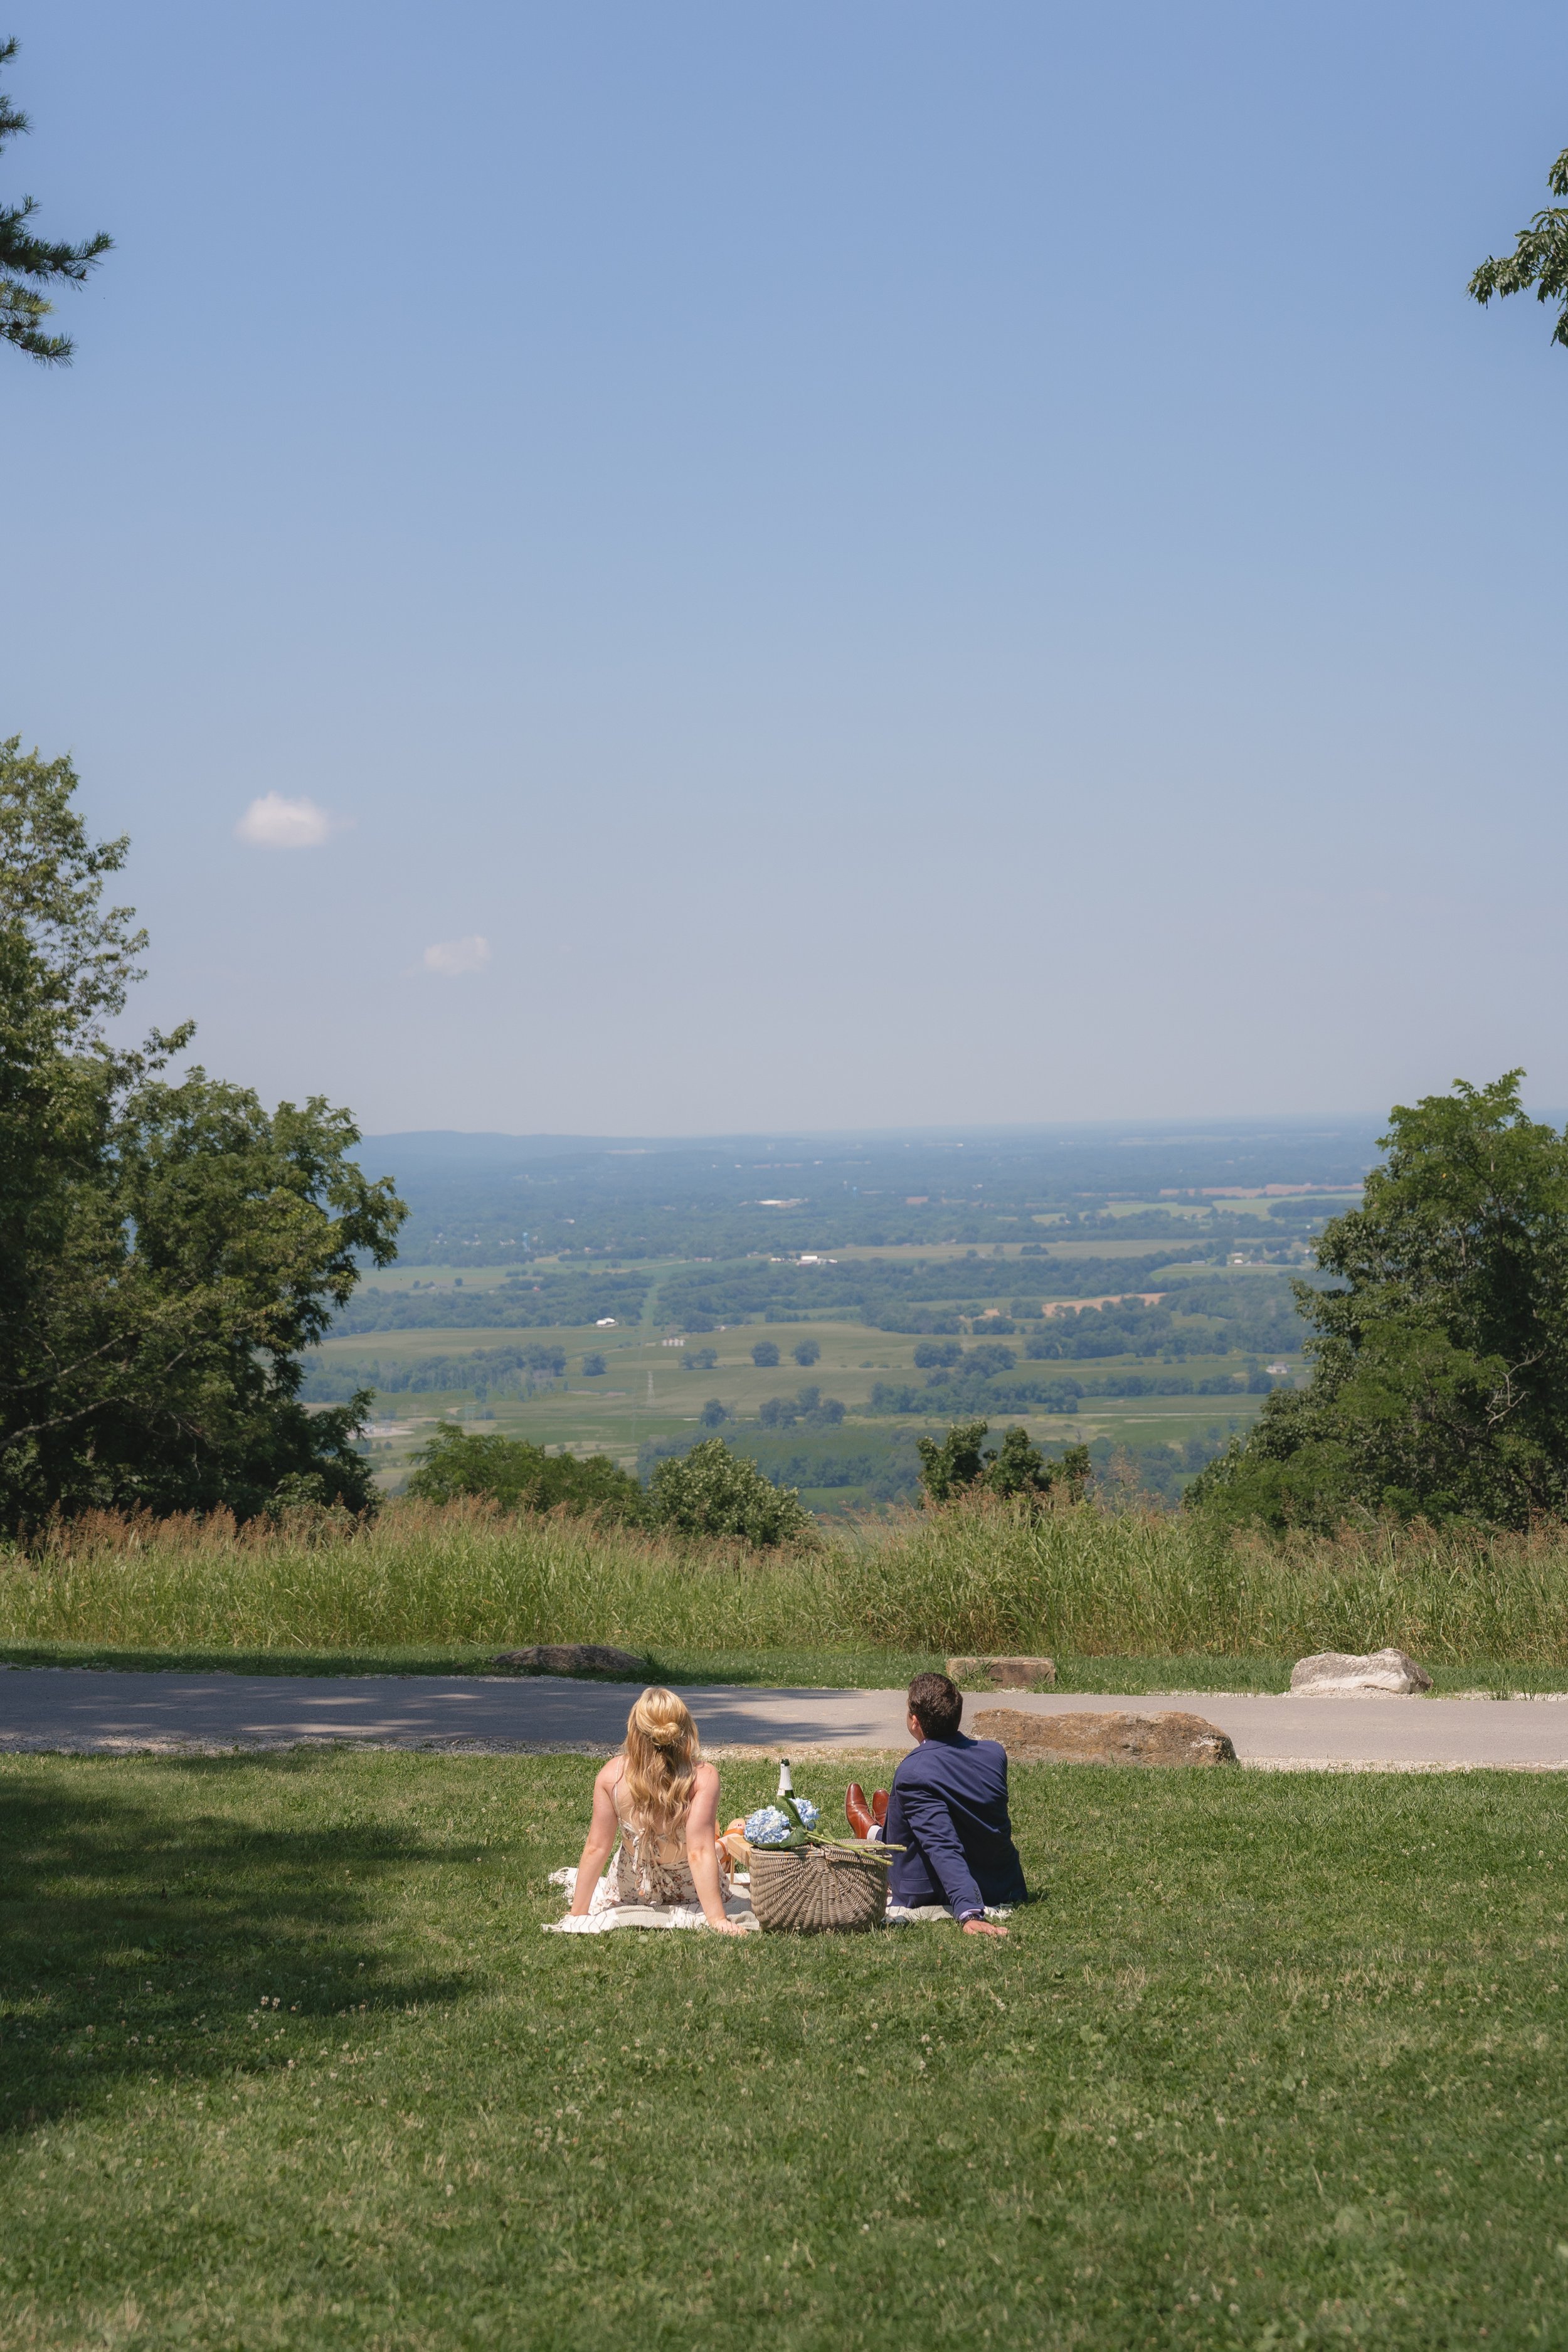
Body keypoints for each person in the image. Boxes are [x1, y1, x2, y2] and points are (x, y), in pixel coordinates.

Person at [847, 1671, 1025, 1937]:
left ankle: (874, 1833)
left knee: (906, 1820)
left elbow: (942, 1844)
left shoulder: (914, 1770)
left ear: (915, 1721)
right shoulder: (993, 1753)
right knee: (914, 1811)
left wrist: (969, 1911)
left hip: (930, 1889)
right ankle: (884, 1825)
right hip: (1002, 1882)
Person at [568, 1686, 748, 1934]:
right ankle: (727, 1844)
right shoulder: (703, 1778)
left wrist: (577, 1913)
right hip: (689, 1892)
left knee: (704, 1840)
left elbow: (596, 1847)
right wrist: (717, 1919)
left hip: (632, 1890)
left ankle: (724, 1843)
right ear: (685, 1730)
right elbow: (699, 1852)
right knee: (708, 1844)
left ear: (634, 1730)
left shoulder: (612, 1775)